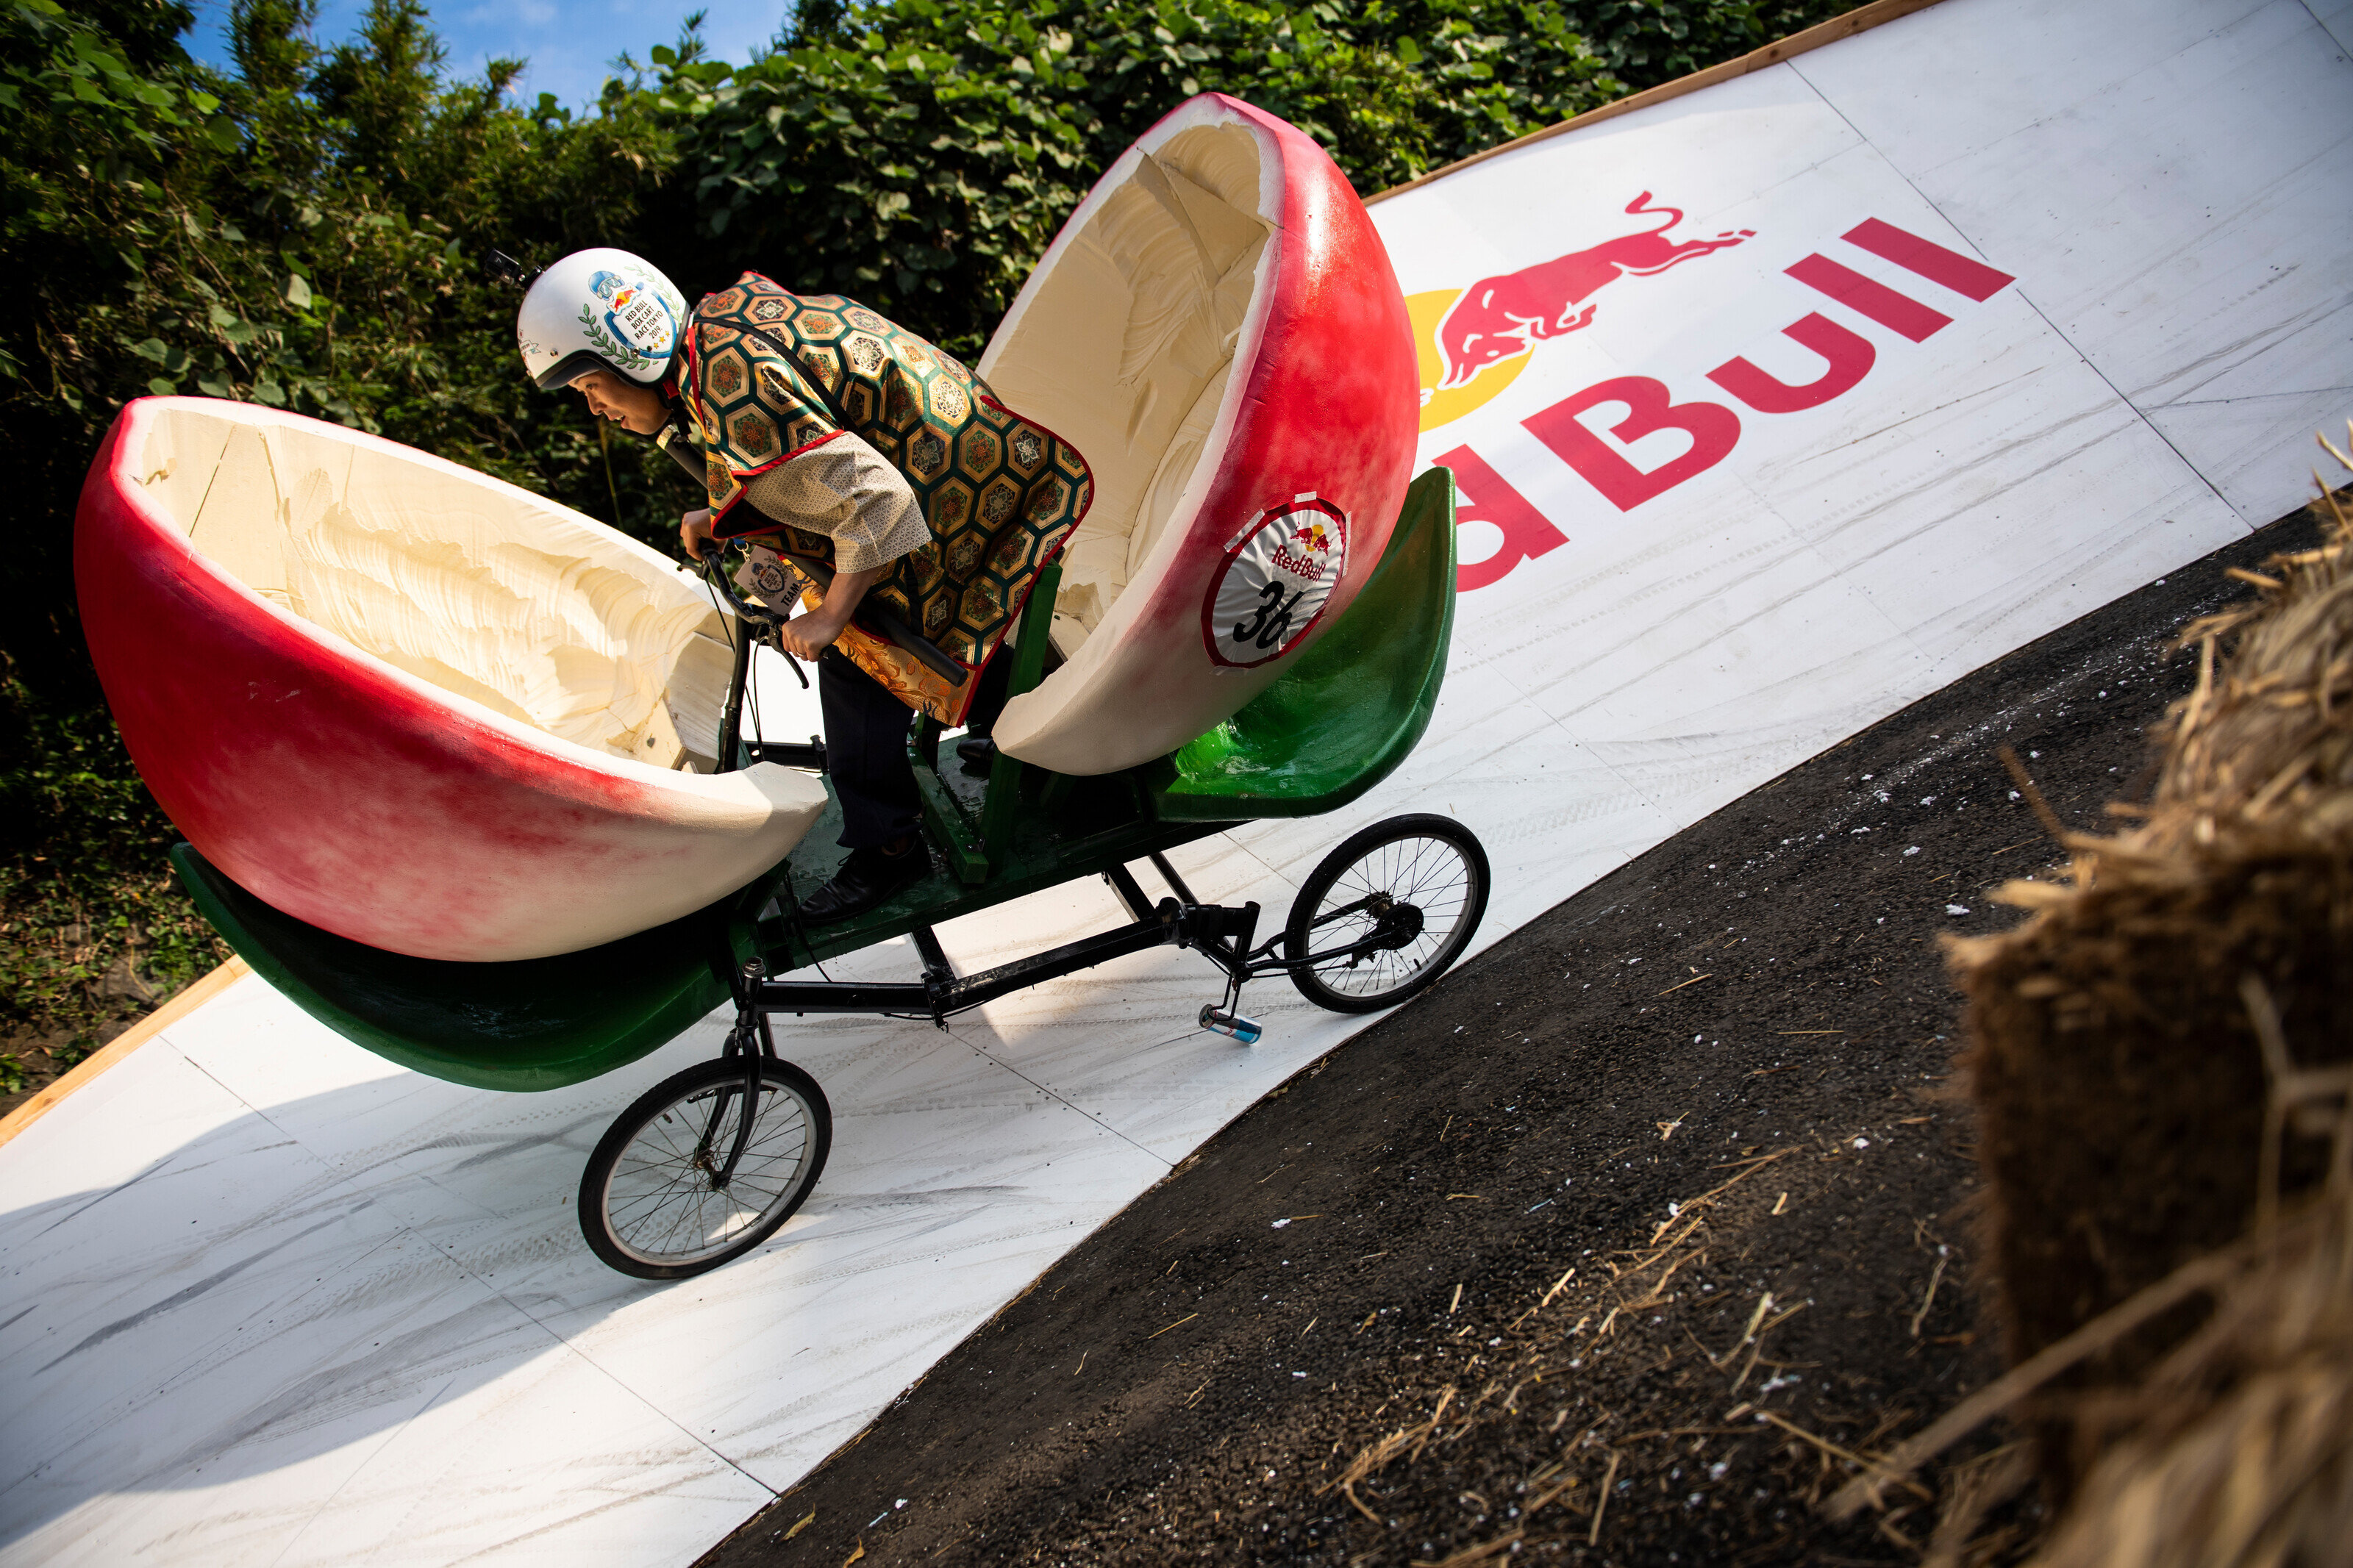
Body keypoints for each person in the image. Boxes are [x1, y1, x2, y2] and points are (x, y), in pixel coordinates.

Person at [514, 248, 1090, 923]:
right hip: (977, 460)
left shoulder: (730, 391)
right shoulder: (715, 335)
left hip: (951, 499)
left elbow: (879, 503)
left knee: (865, 654)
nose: (596, 410)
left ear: (628, 357)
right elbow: (797, 452)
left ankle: (890, 848)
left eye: (591, 389)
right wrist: (723, 513)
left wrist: (832, 617)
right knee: (891, 629)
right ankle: (1042, 742)